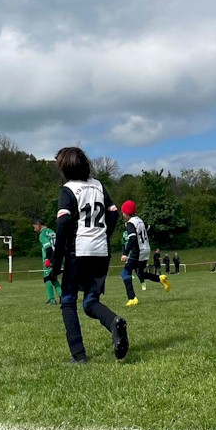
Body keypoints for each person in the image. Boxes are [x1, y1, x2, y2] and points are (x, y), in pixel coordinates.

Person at [50, 146, 128, 363]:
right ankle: (113, 322)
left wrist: (56, 263)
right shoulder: (98, 185)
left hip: (79, 251)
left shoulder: (68, 190)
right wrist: (104, 234)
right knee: (90, 301)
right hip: (101, 251)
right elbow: (113, 212)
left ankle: (79, 355)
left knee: (68, 300)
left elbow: (64, 222)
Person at [119, 200, 171, 306]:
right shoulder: (139, 220)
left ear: (127, 213)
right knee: (140, 273)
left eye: (123, 212)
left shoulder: (130, 223)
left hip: (137, 251)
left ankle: (132, 298)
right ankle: (160, 278)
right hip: (146, 249)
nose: (122, 214)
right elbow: (150, 228)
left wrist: (125, 253)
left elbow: (132, 239)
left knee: (125, 273)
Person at [32, 218, 63, 305]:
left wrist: (47, 259)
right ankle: (62, 296)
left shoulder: (42, 234)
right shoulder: (52, 231)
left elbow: (48, 247)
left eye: (34, 227)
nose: (35, 230)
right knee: (53, 278)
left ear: (38, 225)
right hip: (59, 257)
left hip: (50, 258)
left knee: (47, 278)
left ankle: (51, 299)